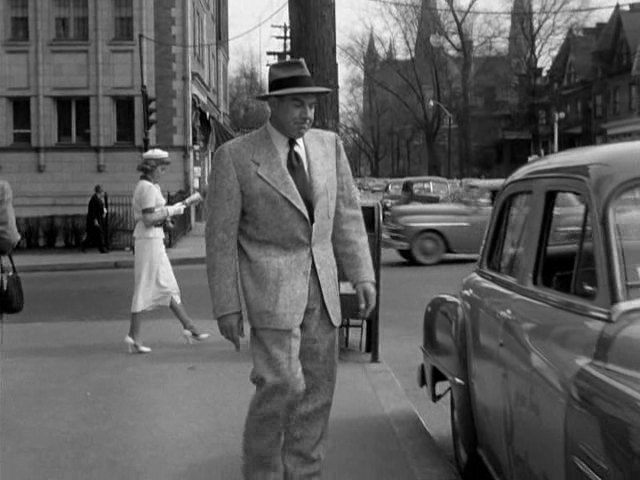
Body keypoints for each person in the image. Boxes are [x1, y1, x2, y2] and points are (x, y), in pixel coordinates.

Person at [205, 58, 376, 479]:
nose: (307, 114)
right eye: (297, 104)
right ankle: (262, 471)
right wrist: (227, 306)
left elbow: (347, 216)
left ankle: (304, 472)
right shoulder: (236, 158)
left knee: (318, 392)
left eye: (312, 105)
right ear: (274, 107)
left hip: (324, 292)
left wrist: (363, 274)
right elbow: (221, 238)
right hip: (272, 293)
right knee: (282, 385)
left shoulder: (328, 146)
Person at [125, 148, 209, 354]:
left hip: (154, 239)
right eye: (161, 168)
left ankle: (189, 327)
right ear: (152, 168)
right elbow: (148, 219)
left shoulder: (150, 186)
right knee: (144, 285)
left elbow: (155, 216)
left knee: (168, 285)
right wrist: (173, 210)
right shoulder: (146, 188)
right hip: (148, 240)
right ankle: (134, 336)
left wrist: (169, 215)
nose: (163, 172)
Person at [82, 184, 109, 253]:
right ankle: (102, 249)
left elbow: (100, 209)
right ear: (100, 192)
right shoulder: (94, 200)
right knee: (99, 234)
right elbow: (92, 211)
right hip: (94, 220)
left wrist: (104, 211)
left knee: (92, 235)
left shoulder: (98, 199)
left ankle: (84, 245)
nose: (103, 193)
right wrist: (95, 220)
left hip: (98, 219)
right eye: (102, 192)